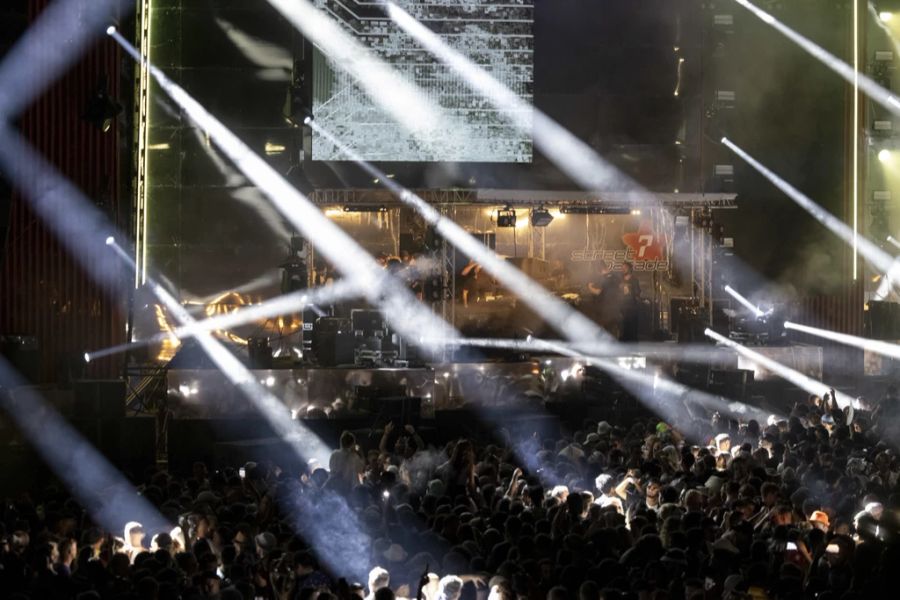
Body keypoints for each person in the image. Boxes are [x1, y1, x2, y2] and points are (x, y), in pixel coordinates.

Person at [619, 262, 641, 341]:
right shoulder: (620, 279)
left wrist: (630, 292)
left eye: (625, 267)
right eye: (622, 268)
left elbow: (638, 293)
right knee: (623, 329)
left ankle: (633, 347)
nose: (623, 269)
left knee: (632, 329)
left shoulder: (634, 280)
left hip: (631, 308)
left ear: (630, 269)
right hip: (622, 308)